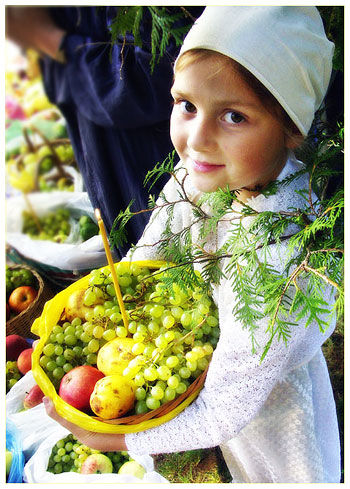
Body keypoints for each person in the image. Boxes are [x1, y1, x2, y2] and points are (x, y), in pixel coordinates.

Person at [42, 6, 341, 483]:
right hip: (220, 369)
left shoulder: (280, 257)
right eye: (186, 105)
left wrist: (120, 440)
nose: (196, 139)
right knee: (238, 460)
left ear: (292, 131)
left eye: (234, 116)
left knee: (287, 470)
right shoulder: (201, 174)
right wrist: (99, 321)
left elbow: (225, 410)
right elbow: (155, 249)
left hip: (271, 403)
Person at [5, 6, 203, 257]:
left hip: (157, 165)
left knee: (180, 255)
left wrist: (48, 38)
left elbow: (163, 72)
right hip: (107, 159)